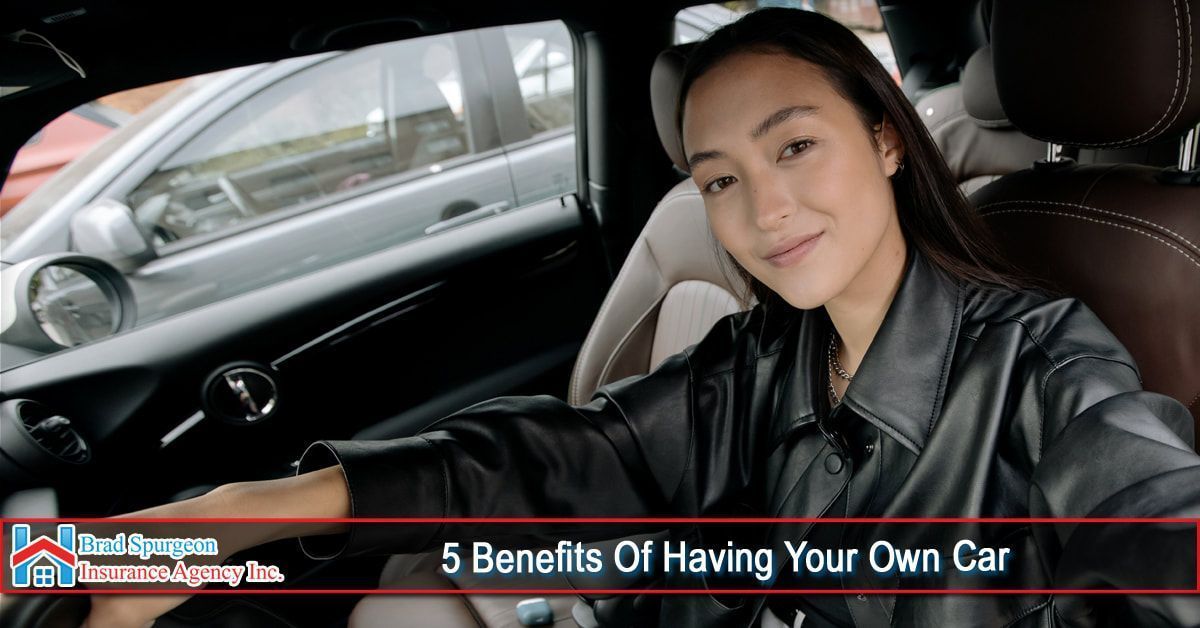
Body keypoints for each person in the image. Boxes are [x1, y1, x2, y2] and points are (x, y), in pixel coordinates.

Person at [84, 8, 1200, 628]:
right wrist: (226, 515)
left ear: (888, 140)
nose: (764, 210)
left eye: (795, 146)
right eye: (718, 178)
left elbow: (1159, 547)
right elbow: (555, 455)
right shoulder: (764, 355)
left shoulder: (1046, 363)